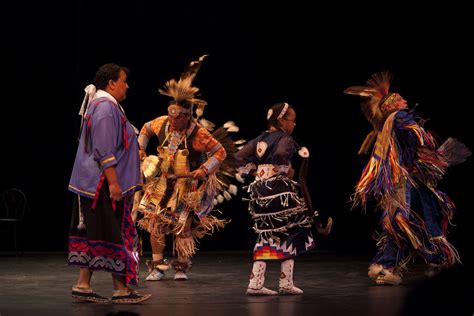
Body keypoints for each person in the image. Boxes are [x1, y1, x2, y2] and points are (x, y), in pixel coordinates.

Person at [344, 71, 471, 285]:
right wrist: (425, 143)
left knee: (400, 219)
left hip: (402, 179)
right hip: (407, 179)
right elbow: (416, 136)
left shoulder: (387, 124)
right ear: (393, 105)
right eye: (401, 99)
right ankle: (434, 259)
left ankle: (386, 266)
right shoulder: (400, 117)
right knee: (415, 218)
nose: (405, 101)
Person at [136, 55, 229, 281]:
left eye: (178, 117)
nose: (174, 121)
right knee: (155, 221)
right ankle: (157, 266)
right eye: (171, 115)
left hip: (185, 185)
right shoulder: (161, 123)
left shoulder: (199, 134)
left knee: (182, 225)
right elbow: (145, 129)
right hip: (160, 181)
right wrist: (140, 150)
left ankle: (181, 266)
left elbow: (220, 152)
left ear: (188, 115)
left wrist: (205, 169)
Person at [68, 63, 151, 303]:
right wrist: (114, 183)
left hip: (97, 184)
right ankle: (121, 290)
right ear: (111, 83)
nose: (127, 86)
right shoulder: (105, 108)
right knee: (114, 234)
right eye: (124, 81)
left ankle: (83, 285)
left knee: (95, 233)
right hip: (102, 185)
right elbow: (103, 149)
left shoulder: (105, 106)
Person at [236, 102, 331, 295]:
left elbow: (238, 158)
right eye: (292, 120)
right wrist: (284, 169)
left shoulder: (258, 139)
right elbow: (280, 154)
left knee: (267, 231)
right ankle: (284, 283)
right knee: (292, 229)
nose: (294, 124)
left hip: (259, 193)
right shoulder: (285, 138)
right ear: (281, 120)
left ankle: (257, 283)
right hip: (278, 191)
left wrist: (256, 171)